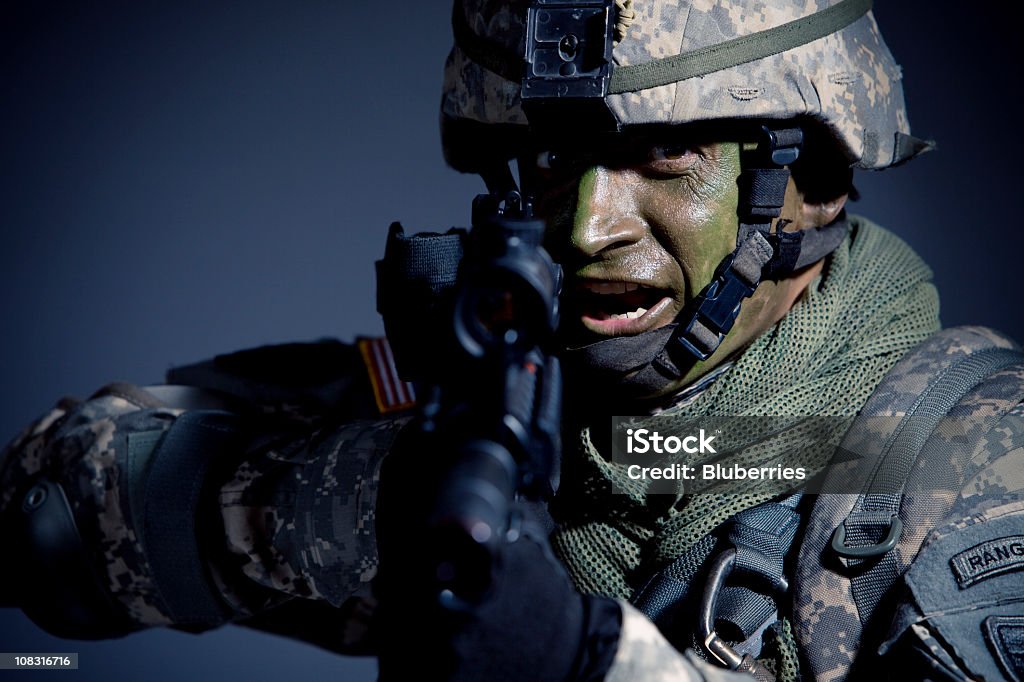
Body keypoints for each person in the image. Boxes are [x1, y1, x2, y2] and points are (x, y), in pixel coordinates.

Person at [2, 1, 1023, 681]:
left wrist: (581, 662)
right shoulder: (512, 416)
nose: (586, 228)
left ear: (811, 181)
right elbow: (56, 511)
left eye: (663, 156)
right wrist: (364, 493)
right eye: (551, 159)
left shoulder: (982, 474)